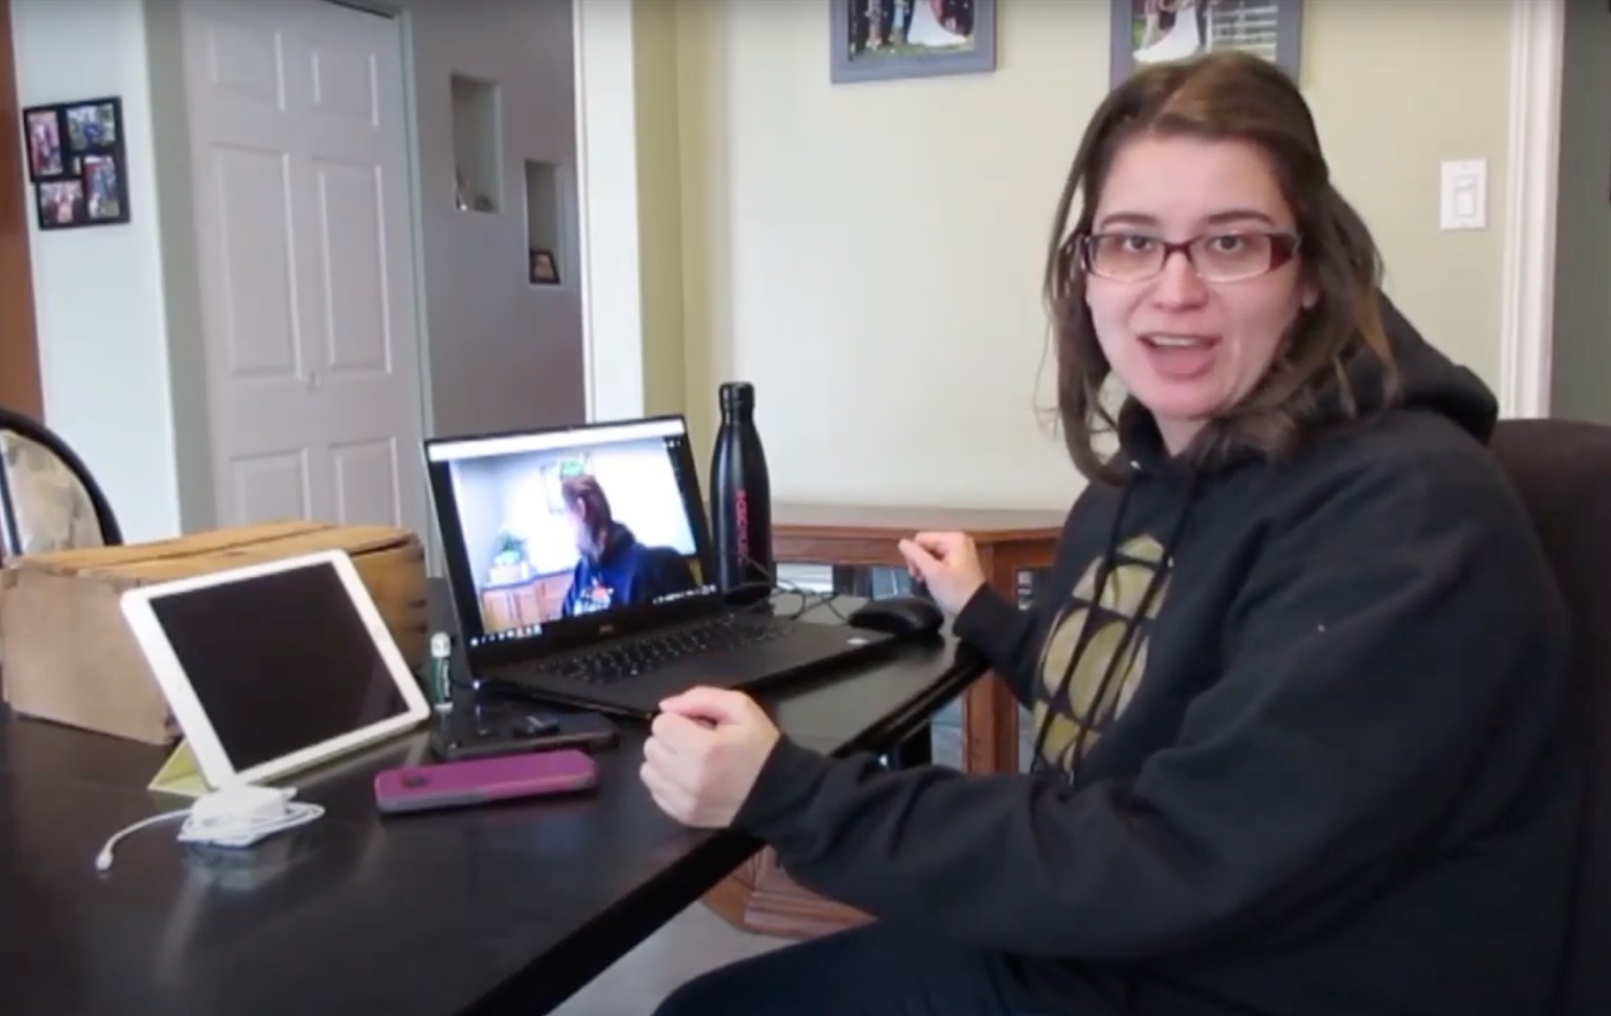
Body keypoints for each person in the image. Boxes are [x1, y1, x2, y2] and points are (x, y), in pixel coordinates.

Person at [640, 51, 1581, 1016]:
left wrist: (792, 797)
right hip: (1130, 937)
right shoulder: (1137, 485)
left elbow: (1178, 853)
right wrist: (983, 614)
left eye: (1230, 242)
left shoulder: (1407, 513)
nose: (1173, 290)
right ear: (1086, 271)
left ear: (1309, 273)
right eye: (1133, 241)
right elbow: (1136, 699)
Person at [559, 473, 696, 618]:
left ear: (581, 509)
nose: (566, 525)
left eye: (566, 515)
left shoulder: (654, 567)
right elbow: (563, 624)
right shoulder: (582, 570)